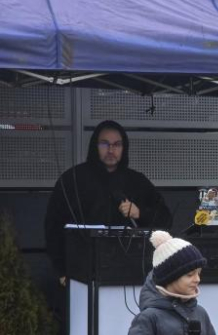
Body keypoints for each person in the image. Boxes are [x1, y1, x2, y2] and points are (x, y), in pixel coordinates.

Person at [45, 119, 172, 284]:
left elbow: (165, 219)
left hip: (129, 274)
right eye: (104, 144)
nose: (111, 150)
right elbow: (53, 227)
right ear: (94, 146)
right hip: (81, 273)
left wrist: (139, 213)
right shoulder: (72, 180)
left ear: (124, 148)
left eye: (117, 144)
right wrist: (61, 270)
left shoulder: (137, 182)